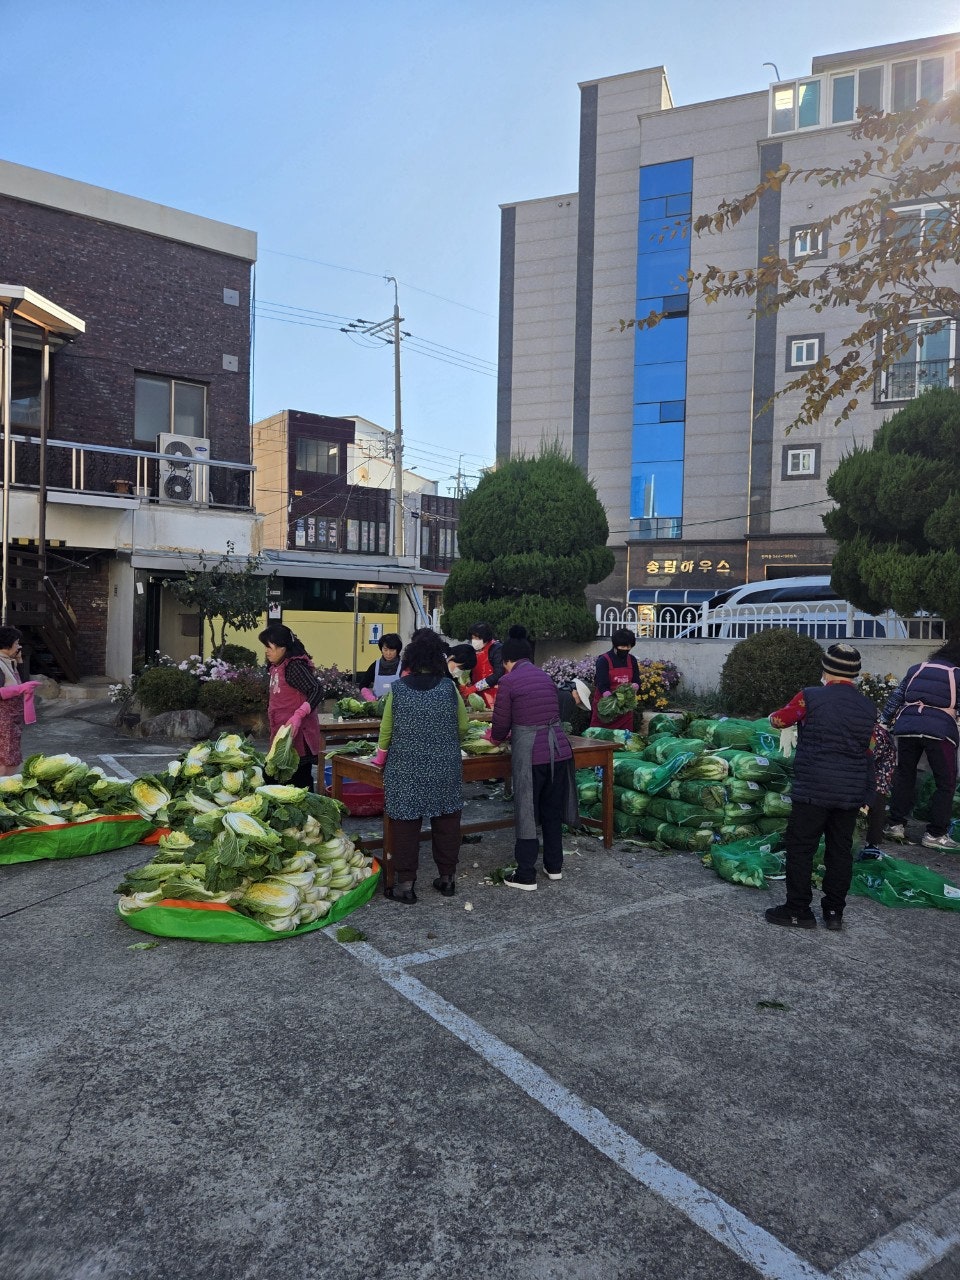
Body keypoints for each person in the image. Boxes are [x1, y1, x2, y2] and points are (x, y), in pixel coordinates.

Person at [764, 643, 877, 931]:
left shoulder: (811, 697)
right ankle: (834, 913)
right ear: (856, 674)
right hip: (850, 792)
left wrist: (775, 720)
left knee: (801, 847)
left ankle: (798, 909)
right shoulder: (867, 707)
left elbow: (780, 719)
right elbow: (870, 747)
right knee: (840, 851)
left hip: (814, 787)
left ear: (826, 669)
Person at [369, 628, 470, 903]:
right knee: (447, 820)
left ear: (411, 659)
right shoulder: (449, 688)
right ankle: (447, 878)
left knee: (405, 823)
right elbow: (462, 726)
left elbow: (386, 732)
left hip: (405, 767)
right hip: (444, 765)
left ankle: (406, 884)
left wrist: (379, 758)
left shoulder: (399, 690)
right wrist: (442, 740)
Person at [489, 626, 577, 890]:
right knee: (551, 810)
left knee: (527, 811)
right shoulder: (545, 677)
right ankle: (554, 866)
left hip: (531, 754)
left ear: (507, 661)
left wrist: (493, 738)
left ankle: (526, 873)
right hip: (559, 750)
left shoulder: (509, 681)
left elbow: (501, 723)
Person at [881, 640, 960, 852]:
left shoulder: (917, 669)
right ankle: (935, 834)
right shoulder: (957, 674)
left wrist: (883, 721)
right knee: (946, 782)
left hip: (907, 727)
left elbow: (896, 697)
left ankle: (895, 824)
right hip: (939, 732)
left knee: (905, 775)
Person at [259, 623, 323, 790]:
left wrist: (299, 715)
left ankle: (308, 813)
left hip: (298, 735)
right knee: (276, 777)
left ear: (283, 648)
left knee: (299, 781)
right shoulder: (275, 666)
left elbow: (316, 690)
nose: (266, 651)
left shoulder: (294, 667)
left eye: (270, 647)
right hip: (283, 734)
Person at [0, 627, 40, 777]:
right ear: (6, 644)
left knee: (11, 756)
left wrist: (19, 660)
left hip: (11, 719)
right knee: (7, 758)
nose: (19, 647)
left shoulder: (8, 660)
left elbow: (19, 681)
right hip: (3, 720)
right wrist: (21, 688)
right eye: (16, 643)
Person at [858, 720, 896, 860]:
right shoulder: (863, 728)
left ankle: (872, 845)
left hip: (879, 773)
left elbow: (869, 755)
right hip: (868, 769)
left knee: (877, 804)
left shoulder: (875, 733)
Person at [590, 628, 641, 730]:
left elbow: (636, 679)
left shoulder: (632, 660)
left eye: (629, 646)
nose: (626, 649)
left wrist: (636, 685)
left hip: (625, 708)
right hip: (607, 708)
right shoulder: (603, 660)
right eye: (622, 646)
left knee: (623, 739)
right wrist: (609, 697)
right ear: (615, 645)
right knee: (601, 738)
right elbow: (601, 683)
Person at [459, 623, 503, 709]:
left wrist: (475, 687)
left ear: (485, 637)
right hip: (478, 696)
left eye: (476, 637)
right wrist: (467, 683)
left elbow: (498, 674)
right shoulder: (474, 651)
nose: (474, 640)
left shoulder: (497, 649)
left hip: (495, 696)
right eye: (472, 638)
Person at [357, 632, 403, 701]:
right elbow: (363, 685)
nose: (388, 653)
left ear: (397, 650)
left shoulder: (403, 666)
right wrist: (371, 698)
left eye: (392, 650)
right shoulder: (375, 665)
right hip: (377, 706)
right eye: (385, 649)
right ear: (381, 649)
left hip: (398, 706)